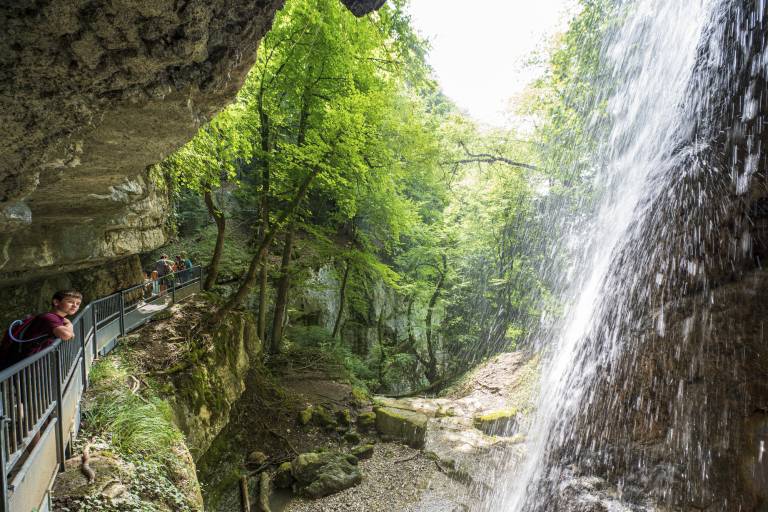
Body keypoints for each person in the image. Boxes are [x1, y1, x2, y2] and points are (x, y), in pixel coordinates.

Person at [1, 290, 82, 370]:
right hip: (26, 364)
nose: (75, 305)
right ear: (56, 302)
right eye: (70, 301)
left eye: (78, 303)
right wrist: (70, 325)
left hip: (31, 362)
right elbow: (66, 335)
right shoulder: (49, 318)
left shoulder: (55, 318)